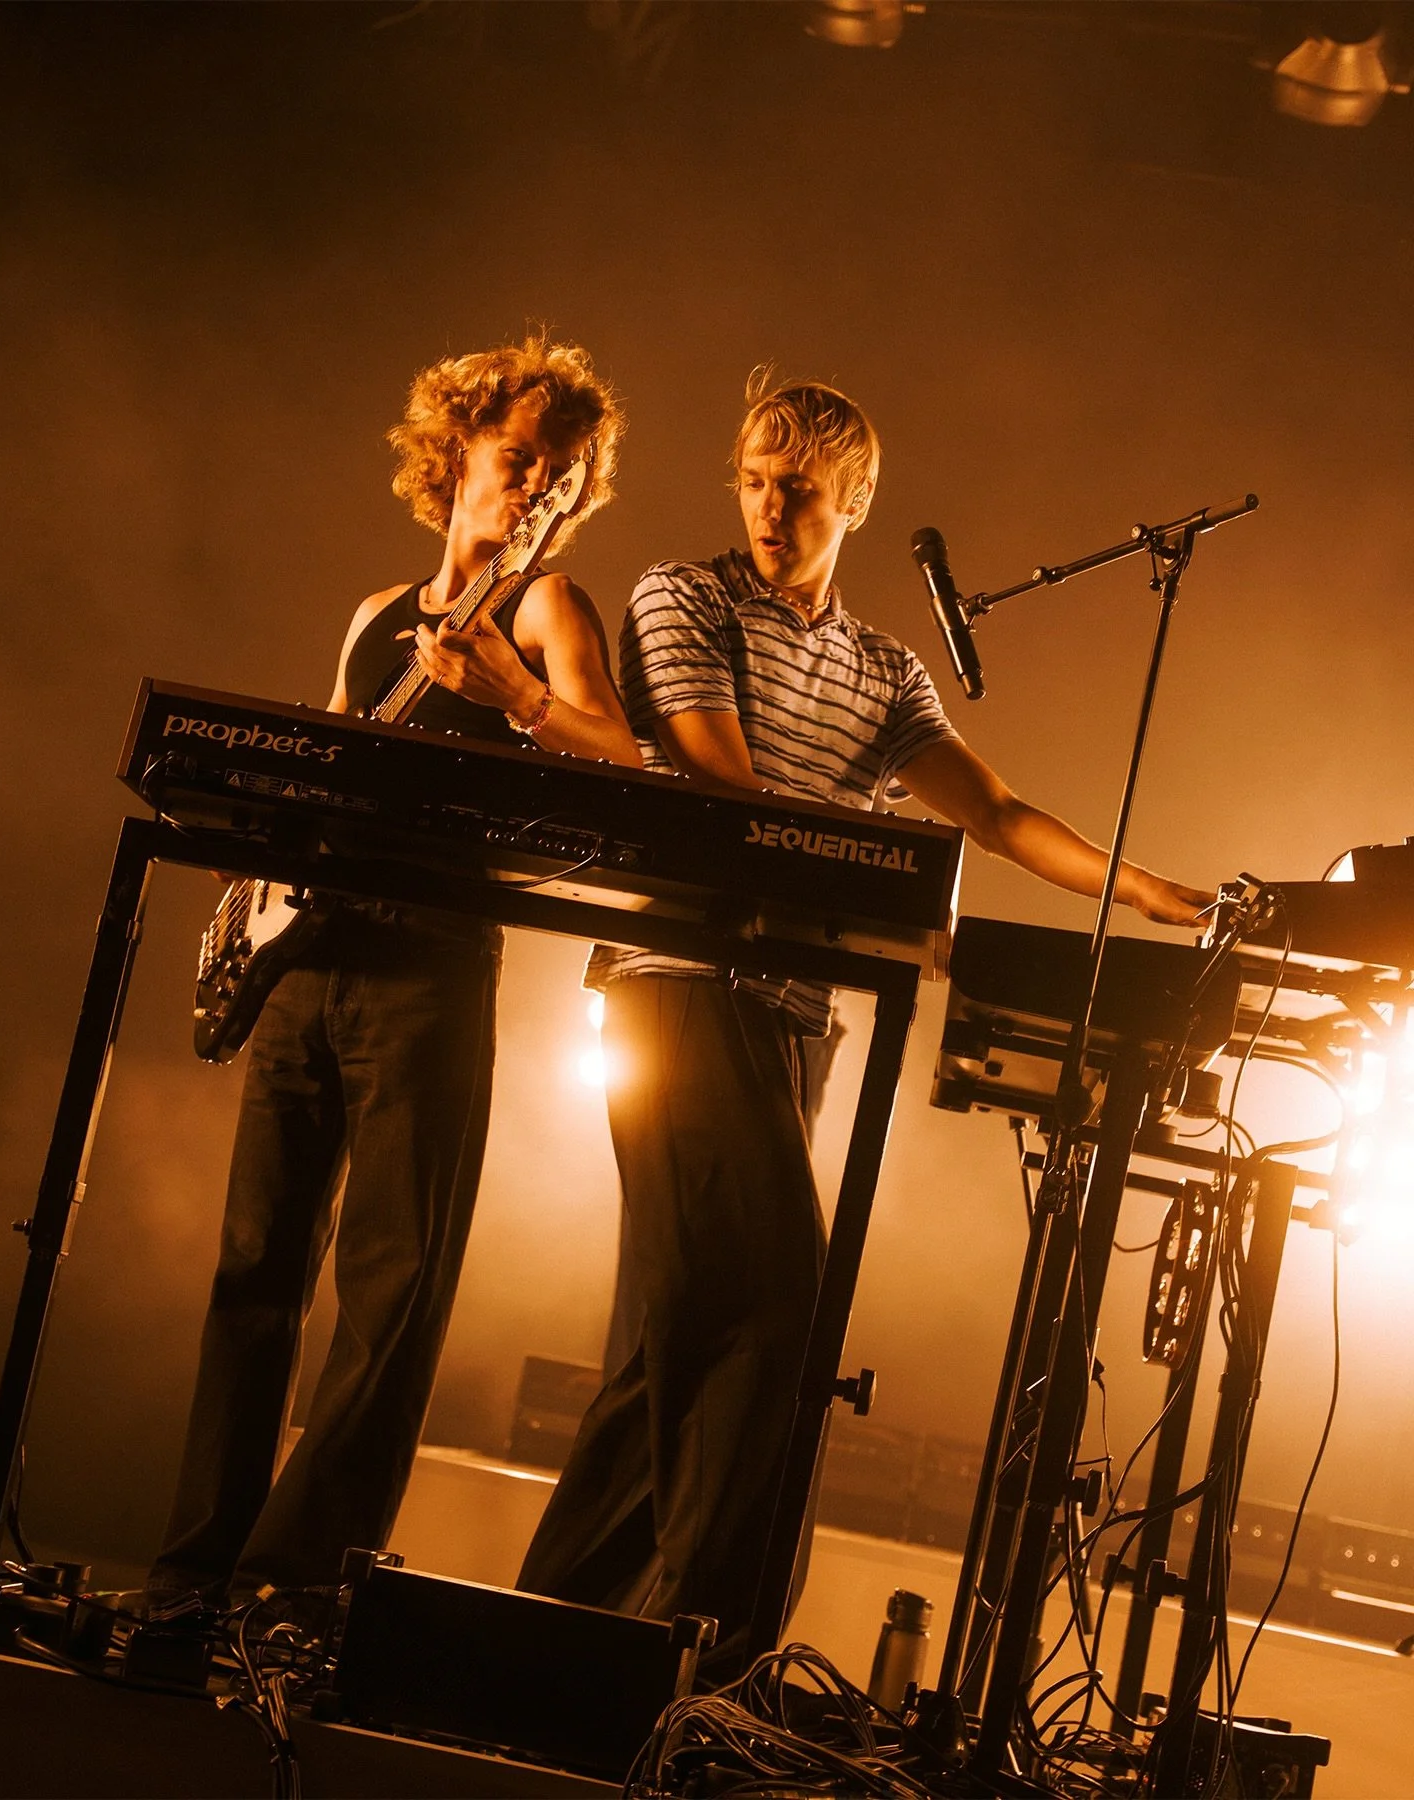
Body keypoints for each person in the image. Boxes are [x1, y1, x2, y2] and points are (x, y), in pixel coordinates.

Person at [517, 370, 1211, 1674]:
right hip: (679, 985)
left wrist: (1157, 892)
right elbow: (729, 786)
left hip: (795, 1018)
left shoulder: (885, 669)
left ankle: (535, 1645)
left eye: (801, 488)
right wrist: (886, 886)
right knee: (781, 1302)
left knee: (675, 1333)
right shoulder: (687, 595)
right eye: (756, 479)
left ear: (856, 500)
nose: (771, 506)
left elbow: (995, 815)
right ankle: (702, 1654)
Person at [148, 335, 639, 1613]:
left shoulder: (547, 610)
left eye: (560, 474)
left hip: (429, 962)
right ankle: (192, 1568)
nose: (535, 487)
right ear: (460, 449)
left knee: (391, 1286)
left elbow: (624, 765)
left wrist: (520, 695)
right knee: (254, 1268)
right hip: (310, 961)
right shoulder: (377, 616)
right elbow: (321, 760)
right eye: (519, 458)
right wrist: (247, 889)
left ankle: (289, 1584)